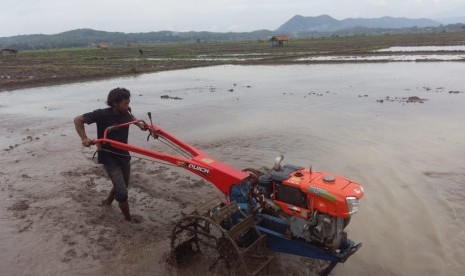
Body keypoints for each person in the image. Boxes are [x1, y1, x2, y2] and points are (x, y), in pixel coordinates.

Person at [74, 87, 146, 222]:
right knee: (123, 192)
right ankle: (129, 220)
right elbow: (78, 120)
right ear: (114, 103)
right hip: (108, 157)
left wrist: (141, 125)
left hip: (124, 155)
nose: (128, 106)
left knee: (123, 184)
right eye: (125, 103)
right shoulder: (101, 114)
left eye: (128, 102)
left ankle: (108, 201)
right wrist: (84, 138)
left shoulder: (126, 111)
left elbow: (131, 118)